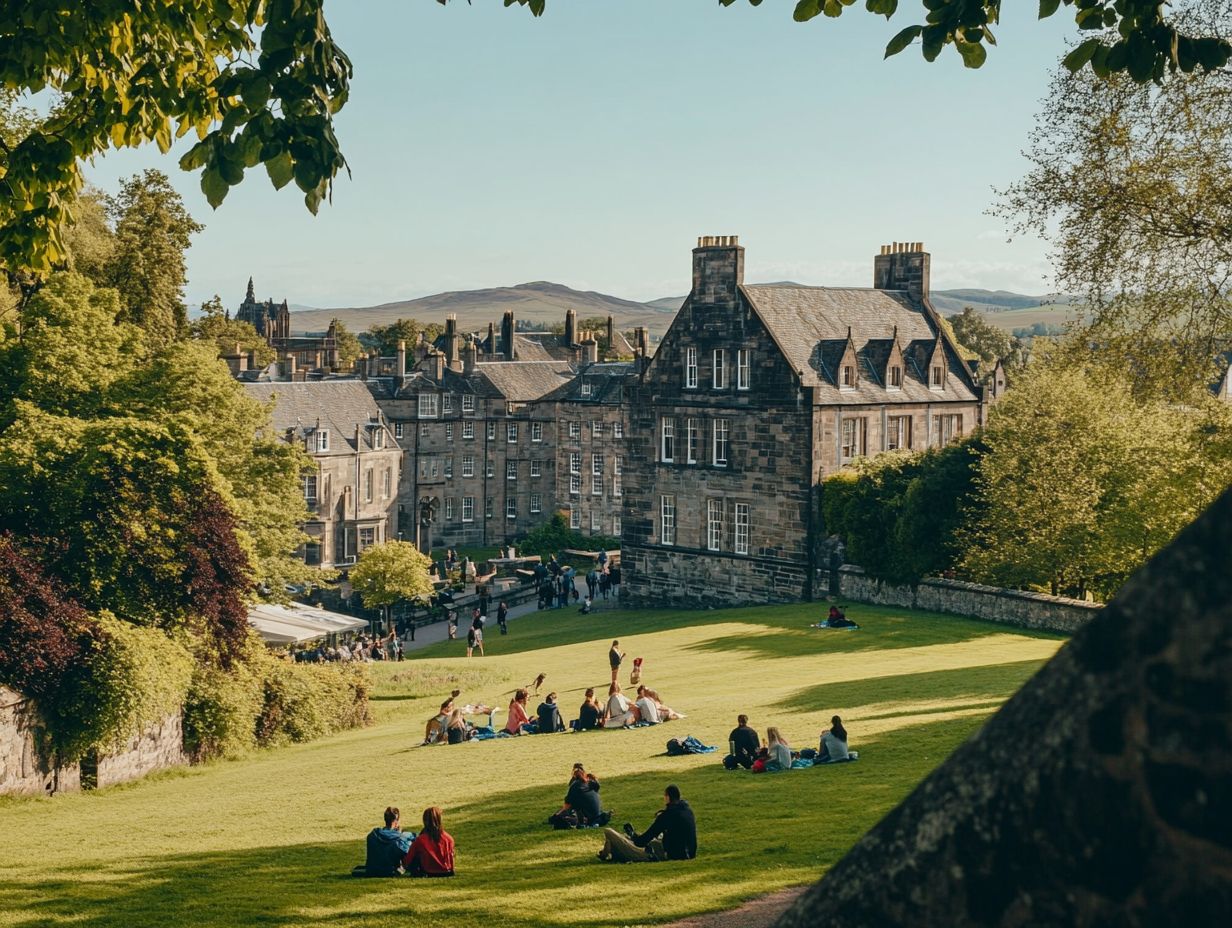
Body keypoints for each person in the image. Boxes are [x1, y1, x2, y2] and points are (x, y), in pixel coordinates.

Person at [597, 784, 696, 863]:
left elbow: (642, 841)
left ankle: (607, 853)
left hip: (668, 855)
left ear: (668, 797)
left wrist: (634, 837)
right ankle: (607, 853)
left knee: (609, 832)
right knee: (652, 841)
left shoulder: (667, 816)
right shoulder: (688, 811)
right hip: (689, 853)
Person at [403, 807, 455, 877]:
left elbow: (408, 860)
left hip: (428, 872)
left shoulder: (420, 840)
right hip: (446, 871)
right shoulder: (449, 839)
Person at [550, 763, 606, 828]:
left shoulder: (575, 785)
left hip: (588, 817)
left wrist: (557, 815)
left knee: (558, 817)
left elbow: (567, 805)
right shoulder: (591, 781)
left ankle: (581, 822)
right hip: (597, 814)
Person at [364, 806, 415, 877]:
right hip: (390, 870)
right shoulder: (400, 838)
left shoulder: (373, 835)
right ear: (396, 820)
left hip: (372, 870)